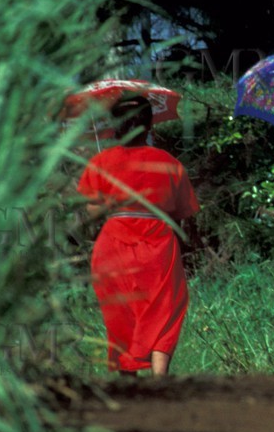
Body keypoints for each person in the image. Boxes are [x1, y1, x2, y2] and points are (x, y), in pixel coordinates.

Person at [77, 95, 200, 376]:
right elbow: (184, 211)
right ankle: (160, 378)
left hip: (112, 247)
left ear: (114, 127)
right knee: (164, 309)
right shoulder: (167, 162)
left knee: (121, 314)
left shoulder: (101, 162)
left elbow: (90, 214)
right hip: (158, 246)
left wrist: (112, 201)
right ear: (149, 126)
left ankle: (127, 380)